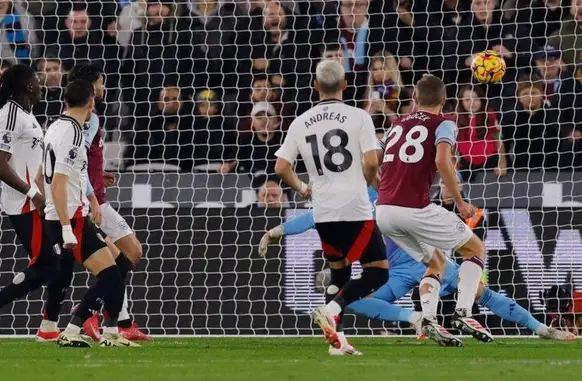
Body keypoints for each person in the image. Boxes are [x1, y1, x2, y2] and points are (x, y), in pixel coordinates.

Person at [260, 187, 576, 344]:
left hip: (426, 258)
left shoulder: (374, 192)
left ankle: (542, 329)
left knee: (483, 293)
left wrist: (275, 233)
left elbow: (317, 220)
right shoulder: (363, 194)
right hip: (402, 268)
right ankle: (417, 319)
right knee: (354, 301)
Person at [274, 60, 387, 355]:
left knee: (339, 274)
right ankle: (331, 309)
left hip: (323, 211)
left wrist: (302, 189)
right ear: (346, 84)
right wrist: (365, 184)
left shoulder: (301, 121)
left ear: (315, 86)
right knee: (378, 272)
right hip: (355, 209)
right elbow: (373, 161)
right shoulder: (359, 116)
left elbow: (281, 166)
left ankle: (338, 343)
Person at [375, 74, 492, 347]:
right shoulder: (445, 123)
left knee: (435, 262)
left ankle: (428, 320)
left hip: (384, 211)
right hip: (415, 208)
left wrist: (381, 187)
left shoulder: (396, 124)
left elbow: (368, 161)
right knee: (475, 249)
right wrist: (461, 203)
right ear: (444, 101)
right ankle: (463, 312)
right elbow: (442, 159)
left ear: (414, 100)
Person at [36, 64, 149, 343]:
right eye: (101, 83)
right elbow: (67, 169)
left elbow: (57, 169)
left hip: (71, 206)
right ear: (90, 94)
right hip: (79, 207)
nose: (104, 89)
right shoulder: (82, 124)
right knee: (124, 258)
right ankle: (102, 321)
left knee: (72, 271)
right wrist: (90, 198)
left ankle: (75, 326)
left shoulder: (55, 126)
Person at [0, 65, 54, 311]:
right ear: (28, 85)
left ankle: (50, 323)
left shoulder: (28, 115)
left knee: (55, 263)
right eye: (37, 79)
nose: (41, 84)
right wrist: (34, 194)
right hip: (25, 204)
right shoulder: (10, 115)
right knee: (47, 266)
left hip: (37, 201)